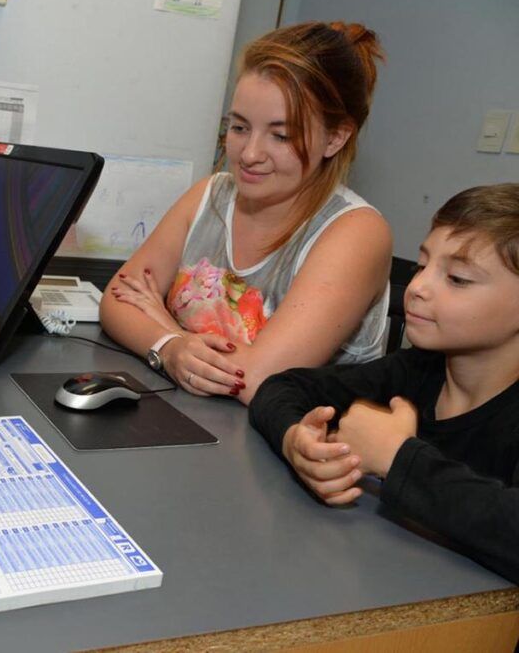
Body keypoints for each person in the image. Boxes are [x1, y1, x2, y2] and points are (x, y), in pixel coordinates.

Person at [101, 22, 392, 404]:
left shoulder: (357, 233)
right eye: (239, 127)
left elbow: (257, 379)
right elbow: (118, 297)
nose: (250, 154)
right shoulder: (210, 194)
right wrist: (170, 348)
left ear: (336, 137)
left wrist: (159, 323)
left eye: (281, 135)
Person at [249, 184, 519, 583]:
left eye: (457, 279)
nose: (417, 288)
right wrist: (295, 441)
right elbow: (283, 387)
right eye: (422, 266)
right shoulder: (417, 371)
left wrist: (396, 456)